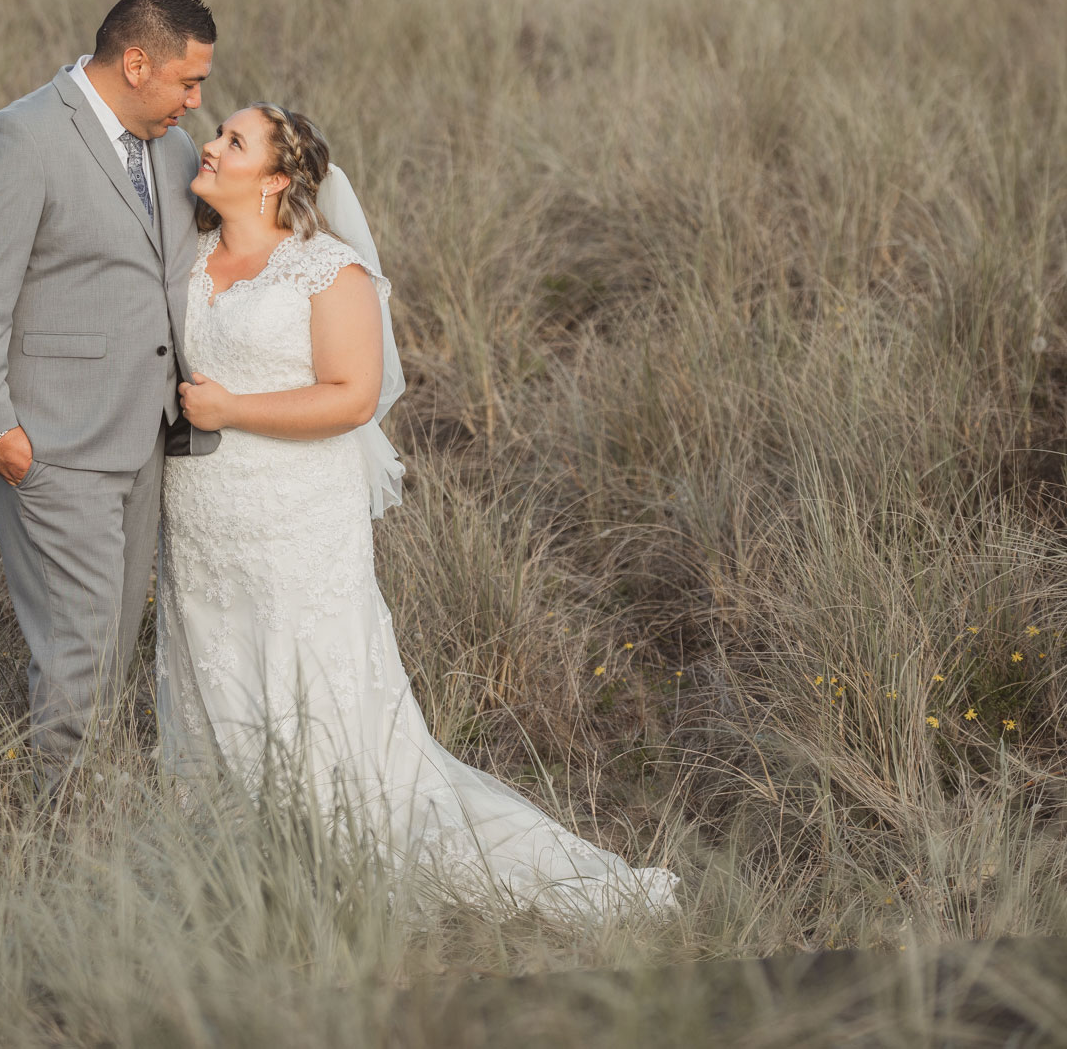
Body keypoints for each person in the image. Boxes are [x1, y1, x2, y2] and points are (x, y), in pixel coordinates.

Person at [156, 102, 680, 917]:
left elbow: (353, 396)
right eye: (218, 133)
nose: (212, 147)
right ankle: (238, 857)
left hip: (296, 517)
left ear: (277, 179)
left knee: (311, 685)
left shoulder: (328, 270)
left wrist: (232, 410)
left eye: (234, 141)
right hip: (199, 519)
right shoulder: (186, 256)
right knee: (212, 668)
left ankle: (343, 854)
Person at [0, 0, 221, 792]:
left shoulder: (169, 148)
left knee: (114, 638)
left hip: (144, 435)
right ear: (137, 63)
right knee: (82, 644)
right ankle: (67, 836)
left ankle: (88, 808)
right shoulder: (21, 138)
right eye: (186, 82)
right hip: (52, 440)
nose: (195, 101)